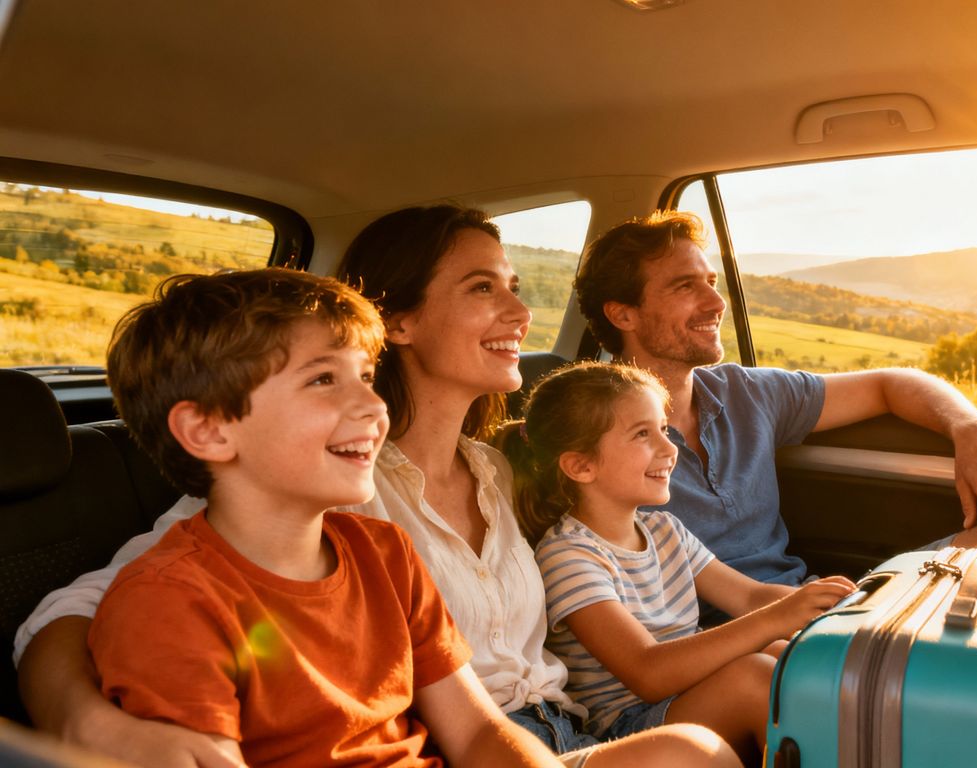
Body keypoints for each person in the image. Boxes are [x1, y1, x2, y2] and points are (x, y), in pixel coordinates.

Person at [14, 207, 737, 768]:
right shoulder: (303, 492)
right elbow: (86, 609)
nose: (522, 316)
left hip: (548, 728)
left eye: (516, 288)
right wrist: (86, 723)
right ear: (401, 321)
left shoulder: (493, 473)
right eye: (484, 288)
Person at [87, 267, 557, 766]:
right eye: (323, 379)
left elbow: (479, 733)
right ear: (208, 432)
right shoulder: (169, 603)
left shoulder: (386, 551)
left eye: (367, 377)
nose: (374, 406)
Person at [574, 210, 977, 591]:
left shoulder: (745, 393)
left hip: (817, 605)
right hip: (723, 646)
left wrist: (971, 427)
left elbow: (890, 383)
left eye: (712, 282)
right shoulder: (583, 435)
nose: (716, 302)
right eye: (687, 286)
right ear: (623, 314)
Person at [499, 361, 855, 764]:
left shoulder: (664, 529)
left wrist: (834, 608)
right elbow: (648, 673)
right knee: (755, 677)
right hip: (630, 725)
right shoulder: (568, 556)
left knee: (783, 653)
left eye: (664, 430)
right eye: (642, 435)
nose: (669, 449)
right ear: (581, 466)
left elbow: (752, 597)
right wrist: (777, 616)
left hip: (687, 696)